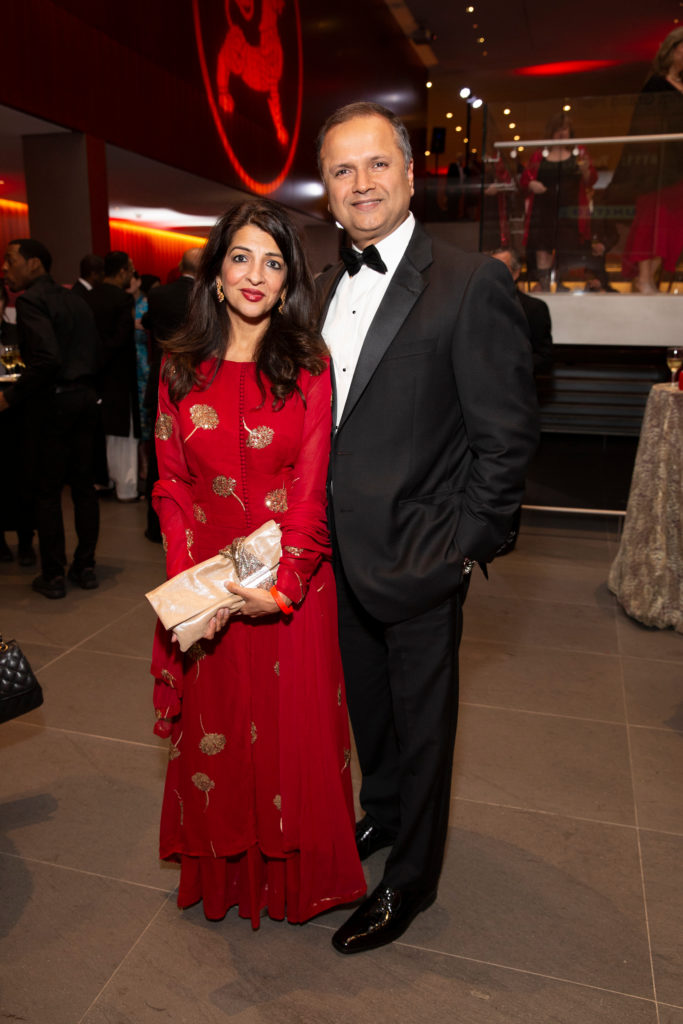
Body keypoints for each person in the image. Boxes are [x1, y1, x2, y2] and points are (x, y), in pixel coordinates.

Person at [315, 102, 538, 954]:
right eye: (342, 171)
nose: (361, 184)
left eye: (377, 165)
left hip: (420, 553)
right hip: (334, 554)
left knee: (423, 720)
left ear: (409, 174)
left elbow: (505, 432)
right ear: (328, 194)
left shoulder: (469, 279)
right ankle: (383, 815)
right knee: (369, 713)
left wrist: (462, 547)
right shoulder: (329, 285)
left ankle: (410, 880)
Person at [149, 200, 365, 929]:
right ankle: (227, 878)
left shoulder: (307, 367)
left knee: (287, 747)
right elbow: (170, 483)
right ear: (214, 274)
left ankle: (290, 883)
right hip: (206, 598)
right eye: (240, 257)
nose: (254, 274)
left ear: (286, 284)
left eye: (273, 263)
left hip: (285, 598)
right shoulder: (179, 366)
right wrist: (195, 589)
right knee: (219, 743)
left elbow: (311, 491)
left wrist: (278, 586)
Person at [0, 239, 101, 598]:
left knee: (47, 491)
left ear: (34, 264)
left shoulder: (29, 300)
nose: (5, 268)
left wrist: (9, 396)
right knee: (84, 487)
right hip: (87, 399)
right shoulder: (76, 298)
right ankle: (86, 567)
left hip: (55, 403)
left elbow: (47, 359)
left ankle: (54, 575)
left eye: (11, 260)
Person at [615, 27, 683, 293]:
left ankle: (649, 276)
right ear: (671, 50)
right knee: (654, 217)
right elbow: (644, 128)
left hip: (679, 168)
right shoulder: (656, 84)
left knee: (673, 221)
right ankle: (643, 277)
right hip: (657, 168)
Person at [142, 249, 200, 542]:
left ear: (180, 266)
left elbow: (148, 326)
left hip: (161, 373)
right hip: (195, 376)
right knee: (187, 452)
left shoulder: (159, 294)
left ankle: (156, 526)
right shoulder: (205, 296)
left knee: (161, 452)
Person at [521, 112, 597, 291]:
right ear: (551, 132)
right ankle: (545, 286)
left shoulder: (578, 153)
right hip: (543, 210)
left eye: (565, 129)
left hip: (569, 211)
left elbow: (590, 180)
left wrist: (586, 170)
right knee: (543, 249)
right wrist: (532, 183)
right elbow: (524, 180)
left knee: (566, 248)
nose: (562, 133)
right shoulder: (540, 155)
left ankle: (561, 285)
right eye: (558, 130)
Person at [87, 251, 140, 500]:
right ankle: (126, 488)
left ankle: (103, 481)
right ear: (121, 271)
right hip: (119, 376)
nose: (132, 274)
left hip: (93, 376)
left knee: (100, 431)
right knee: (124, 435)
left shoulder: (88, 297)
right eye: (130, 269)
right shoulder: (122, 300)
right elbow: (120, 340)